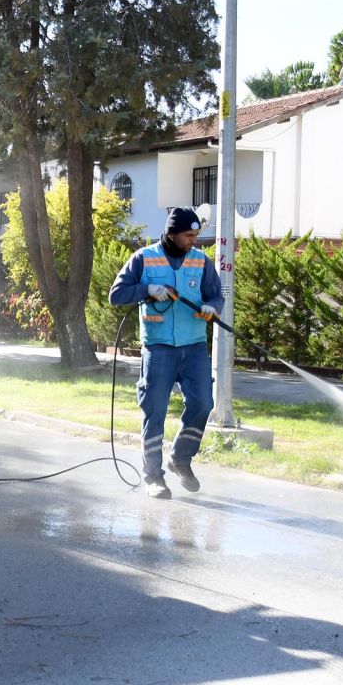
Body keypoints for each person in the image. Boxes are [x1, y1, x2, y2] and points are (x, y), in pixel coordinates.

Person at [108, 207, 224, 499]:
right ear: (172, 233)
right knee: (155, 410)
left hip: (194, 346)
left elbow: (215, 294)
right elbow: (116, 294)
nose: (193, 241)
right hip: (158, 347)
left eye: (196, 235)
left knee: (203, 403)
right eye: (188, 235)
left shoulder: (201, 261)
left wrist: (212, 307)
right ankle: (153, 477)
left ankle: (180, 458)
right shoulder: (144, 258)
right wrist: (148, 289)